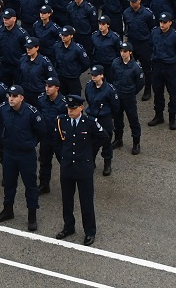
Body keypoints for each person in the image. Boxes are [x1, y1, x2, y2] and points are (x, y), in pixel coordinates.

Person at [54, 96, 109, 247]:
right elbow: (57, 142)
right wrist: (64, 157)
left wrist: (89, 152)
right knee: (67, 199)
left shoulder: (89, 123)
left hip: (83, 167)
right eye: (68, 108)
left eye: (73, 108)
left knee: (86, 201)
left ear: (81, 108)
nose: (70, 111)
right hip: (67, 167)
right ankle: (68, 226)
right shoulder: (62, 121)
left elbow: (104, 137)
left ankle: (90, 231)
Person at [0, 85, 48, 231]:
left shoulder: (31, 112)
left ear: (21, 98)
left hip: (26, 155)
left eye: (14, 96)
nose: (11, 98)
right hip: (9, 153)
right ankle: (8, 210)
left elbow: (42, 131)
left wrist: (30, 143)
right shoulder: (3, 109)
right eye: (10, 95)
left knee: (30, 186)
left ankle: (32, 216)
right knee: (9, 183)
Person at [147, 12, 176, 130]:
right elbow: (151, 46)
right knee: (157, 92)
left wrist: (175, 64)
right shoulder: (154, 33)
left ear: (170, 23)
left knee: (173, 93)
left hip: (170, 67)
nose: (161, 25)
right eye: (160, 22)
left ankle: (172, 117)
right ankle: (159, 115)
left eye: (164, 22)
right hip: (157, 66)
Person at [109, 43, 144, 154]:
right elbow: (112, 76)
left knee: (133, 120)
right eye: (121, 51)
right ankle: (118, 139)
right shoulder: (115, 63)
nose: (122, 53)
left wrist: (132, 92)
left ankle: (136, 143)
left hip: (128, 97)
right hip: (117, 96)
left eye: (125, 51)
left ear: (130, 52)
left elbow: (140, 83)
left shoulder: (136, 67)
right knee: (117, 119)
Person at [83, 66, 117, 175]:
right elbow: (88, 99)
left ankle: (107, 164)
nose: (93, 77)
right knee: (91, 143)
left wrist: (107, 115)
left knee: (106, 143)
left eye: (95, 75)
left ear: (101, 75)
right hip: (92, 118)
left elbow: (115, 106)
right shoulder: (89, 86)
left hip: (104, 119)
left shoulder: (109, 89)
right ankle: (91, 162)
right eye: (92, 75)